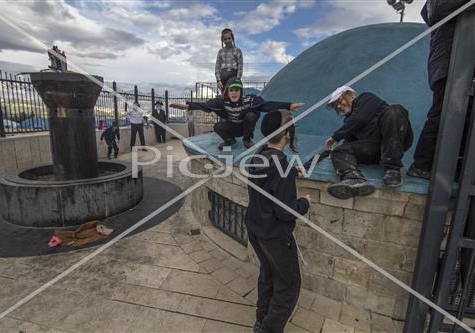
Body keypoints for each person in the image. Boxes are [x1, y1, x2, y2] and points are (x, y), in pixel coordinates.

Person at [246, 110, 311, 333]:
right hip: (275, 236)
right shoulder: (280, 166)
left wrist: (291, 171)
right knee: (289, 286)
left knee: (268, 275)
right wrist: (305, 203)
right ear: (288, 135)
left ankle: (260, 322)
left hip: (256, 231)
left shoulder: (258, 157)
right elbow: (285, 212)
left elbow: (270, 178)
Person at [408, 0, 470, 180]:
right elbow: (435, 10)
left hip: (460, 65)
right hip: (451, 64)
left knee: (465, 117)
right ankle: (421, 165)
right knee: (443, 113)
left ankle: (458, 167)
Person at [325, 86, 414, 199]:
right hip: (373, 149)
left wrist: (335, 137)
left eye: (340, 101)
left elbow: (359, 119)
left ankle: (392, 170)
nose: (338, 106)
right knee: (339, 151)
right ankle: (353, 179)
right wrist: (337, 156)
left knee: (394, 110)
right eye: (335, 106)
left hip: (392, 140)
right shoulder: (349, 121)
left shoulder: (365, 98)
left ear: (351, 94)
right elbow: (349, 143)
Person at [170, 78, 304, 150]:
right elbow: (207, 105)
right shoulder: (222, 102)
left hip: (245, 127)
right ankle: (229, 140)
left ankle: (247, 139)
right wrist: (187, 106)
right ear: (227, 92)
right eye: (231, 90)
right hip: (233, 127)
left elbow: (266, 105)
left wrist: (288, 105)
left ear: (241, 91)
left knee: (251, 116)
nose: (234, 93)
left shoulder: (249, 100)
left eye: (237, 90)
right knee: (218, 126)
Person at [215, 28, 243, 94]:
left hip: (233, 76)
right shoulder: (220, 52)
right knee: (224, 96)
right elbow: (217, 67)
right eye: (225, 39)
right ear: (222, 40)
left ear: (232, 38)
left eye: (229, 38)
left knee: (233, 94)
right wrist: (218, 80)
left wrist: (238, 79)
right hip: (223, 77)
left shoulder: (237, 51)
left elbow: (240, 66)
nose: (227, 40)